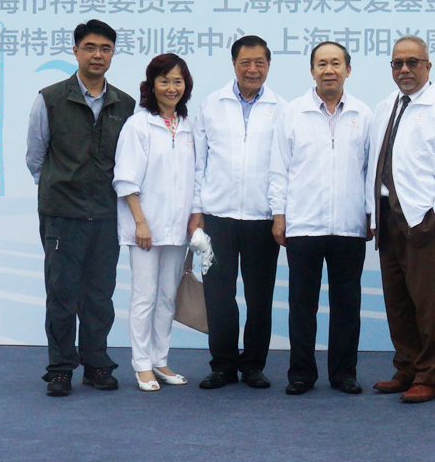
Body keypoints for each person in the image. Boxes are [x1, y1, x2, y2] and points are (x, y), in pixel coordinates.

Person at [26, 19, 135, 396]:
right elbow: (35, 157)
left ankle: (96, 364)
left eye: (105, 49)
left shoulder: (125, 104)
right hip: (62, 215)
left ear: (113, 54)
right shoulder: (50, 98)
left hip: (106, 214)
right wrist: (60, 188)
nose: (97, 55)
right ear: (75, 51)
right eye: (90, 47)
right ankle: (60, 369)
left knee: (99, 296)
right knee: (62, 294)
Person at [366, 35, 435, 403]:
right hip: (387, 217)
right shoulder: (385, 107)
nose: (405, 69)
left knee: (430, 305)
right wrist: (371, 213)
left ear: (428, 66)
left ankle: (429, 376)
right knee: (398, 302)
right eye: (398, 63)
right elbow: (374, 164)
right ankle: (407, 368)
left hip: (424, 221)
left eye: (412, 62)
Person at [269, 41, 373, 396]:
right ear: (312, 70)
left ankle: (344, 373)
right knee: (302, 306)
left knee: (347, 306)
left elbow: (371, 172)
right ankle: (301, 373)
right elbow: (279, 169)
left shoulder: (363, 114)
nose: (329, 70)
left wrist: (370, 214)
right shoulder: (292, 113)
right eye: (322, 64)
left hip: (349, 226)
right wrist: (279, 215)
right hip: (303, 225)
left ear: (348, 69)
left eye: (336, 63)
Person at [189, 35, 287, 390]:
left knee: (260, 298)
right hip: (218, 216)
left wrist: (279, 212)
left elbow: (283, 167)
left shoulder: (282, 109)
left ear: (269, 65)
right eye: (246, 62)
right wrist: (197, 210)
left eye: (260, 62)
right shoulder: (211, 105)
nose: (253, 69)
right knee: (218, 296)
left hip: (262, 218)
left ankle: (254, 366)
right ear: (234, 64)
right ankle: (223, 365)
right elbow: (198, 162)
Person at [113, 54, 195, 392]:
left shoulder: (188, 126)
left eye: (178, 81)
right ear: (151, 85)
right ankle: (142, 364)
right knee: (144, 296)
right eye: (164, 81)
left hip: (178, 229)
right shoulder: (138, 125)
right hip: (145, 229)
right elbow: (125, 179)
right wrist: (140, 222)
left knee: (167, 298)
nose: (172, 88)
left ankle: (160, 360)